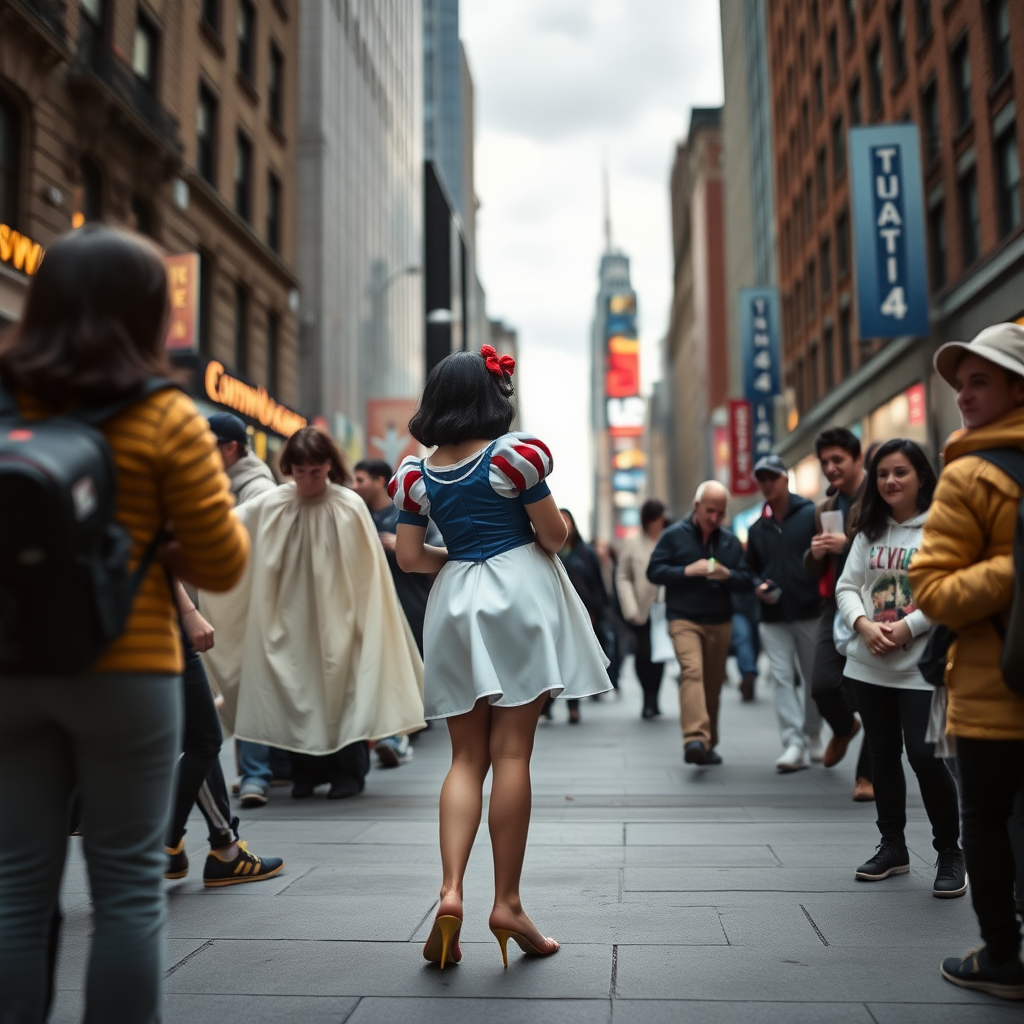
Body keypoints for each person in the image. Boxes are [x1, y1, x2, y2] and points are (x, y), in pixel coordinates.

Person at [0, 225, 249, 1022]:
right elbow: (223, 561)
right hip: (126, 665)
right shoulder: (166, 417)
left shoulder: (6, 400)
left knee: (14, 884)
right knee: (128, 891)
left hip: (9, 666)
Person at [390, 346, 610, 969]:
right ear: (493, 395)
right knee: (512, 752)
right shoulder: (515, 456)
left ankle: (450, 891)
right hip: (519, 593)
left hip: (455, 600)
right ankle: (507, 903)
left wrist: (461, 561)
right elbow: (552, 536)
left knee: (465, 757)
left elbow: (409, 557)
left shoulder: (414, 474)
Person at [201, 427, 425, 801]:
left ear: (328, 467)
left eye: (315, 472)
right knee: (296, 691)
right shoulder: (271, 503)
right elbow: (225, 530)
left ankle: (347, 774)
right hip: (286, 619)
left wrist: (361, 620)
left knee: (342, 693)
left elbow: (368, 573)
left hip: (341, 617)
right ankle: (305, 774)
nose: (307, 480)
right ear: (289, 469)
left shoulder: (348, 505)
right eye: (299, 472)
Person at [910, 323, 1024, 998]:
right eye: (961, 382)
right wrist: (1016, 570)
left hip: (992, 692)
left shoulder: (968, 474)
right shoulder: (964, 473)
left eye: (982, 379)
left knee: (983, 817)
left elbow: (933, 592)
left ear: (1017, 388)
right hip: (991, 687)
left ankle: (1002, 961)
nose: (964, 394)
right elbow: (936, 594)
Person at [835, 439, 964, 895]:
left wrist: (908, 628)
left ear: (922, 477)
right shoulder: (868, 529)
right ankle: (893, 847)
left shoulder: (942, 528)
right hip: (869, 663)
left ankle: (950, 852)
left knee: (927, 757)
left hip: (921, 667)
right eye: (883, 473)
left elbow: (949, 588)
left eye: (901, 472)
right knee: (882, 755)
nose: (890, 481)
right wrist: (863, 624)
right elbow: (847, 586)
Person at [164, 579, 284, 887]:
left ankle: (223, 846)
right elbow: (154, 547)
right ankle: (163, 842)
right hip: (153, 614)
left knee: (199, 737)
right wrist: (189, 611)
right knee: (202, 740)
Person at [207, 413, 291, 808]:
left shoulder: (256, 489)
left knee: (248, 685)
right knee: (241, 685)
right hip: (231, 604)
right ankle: (259, 770)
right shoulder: (229, 484)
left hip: (253, 605)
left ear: (230, 448)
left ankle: (255, 773)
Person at [647, 481, 753, 766]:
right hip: (684, 619)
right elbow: (654, 571)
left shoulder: (729, 541)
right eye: (710, 511)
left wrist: (727, 575)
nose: (715, 518)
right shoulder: (673, 536)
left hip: (720, 620)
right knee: (692, 672)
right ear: (696, 507)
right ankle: (694, 737)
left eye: (721, 512)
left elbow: (747, 580)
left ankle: (708, 743)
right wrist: (686, 571)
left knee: (712, 684)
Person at [353, 457, 441, 766]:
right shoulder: (356, 514)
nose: (354, 485)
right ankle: (393, 730)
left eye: (360, 479)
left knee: (411, 662)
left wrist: (400, 546)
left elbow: (437, 554)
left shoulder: (407, 511)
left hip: (411, 604)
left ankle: (406, 726)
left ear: (379, 481)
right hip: (369, 608)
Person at [804, 428, 874, 801]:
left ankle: (867, 776)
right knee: (822, 683)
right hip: (836, 604)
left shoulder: (877, 496)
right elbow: (813, 566)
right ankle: (845, 727)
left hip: (877, 603)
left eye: (838, 461)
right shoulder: (825, 508)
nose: (831, 468)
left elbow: (882, 546)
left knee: (872, 689)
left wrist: (848, 544)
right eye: (825, 462)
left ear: (857, 459)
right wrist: (815, 554)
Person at [746, 454, 825, 771]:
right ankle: (794, 742)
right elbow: (749, 569)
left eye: (771, 477)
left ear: (784, 479)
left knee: (813, 679)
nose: (766, 484)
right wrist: (757, 586)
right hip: (773, 615)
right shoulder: (757, 528)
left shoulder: (810, 515)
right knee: (780, 679)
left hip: (809, 610)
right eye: (761, 479)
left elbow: (823, 559)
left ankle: (814, 734)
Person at [552, 509, 609, 724]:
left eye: (566, 519)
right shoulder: (548, 550)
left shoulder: (586, 552)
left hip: (580, 611)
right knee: (552, 658)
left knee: (572, 657)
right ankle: (546, 704)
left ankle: (573, 706)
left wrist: (598, 610)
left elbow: (597, 584)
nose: (563, 524)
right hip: (554, 611)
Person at [616, 499, 668, 718]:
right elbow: (623, 576)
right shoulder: (632, 542)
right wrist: (630, 607)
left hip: (665, 609)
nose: (660, 522)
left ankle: (655, 697)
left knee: (661, 654)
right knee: (644, 653)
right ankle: (647, 696)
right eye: (656, 518)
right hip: (641, 610)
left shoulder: (668, 540)